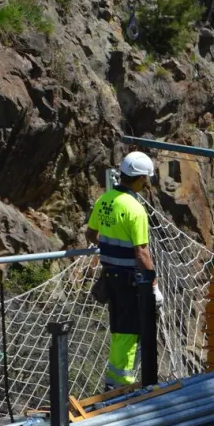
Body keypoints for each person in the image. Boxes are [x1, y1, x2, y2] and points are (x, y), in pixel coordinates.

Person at [86, 151, 162, 391]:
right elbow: (141, 252)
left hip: (110, 277)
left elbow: (91, 234)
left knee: (119, 330)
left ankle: (114, 382)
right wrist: (154, 285)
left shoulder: (104, 200)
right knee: (130, 333)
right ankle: (121, 386)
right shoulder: (135, 209)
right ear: (140, 179)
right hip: (130, 280)